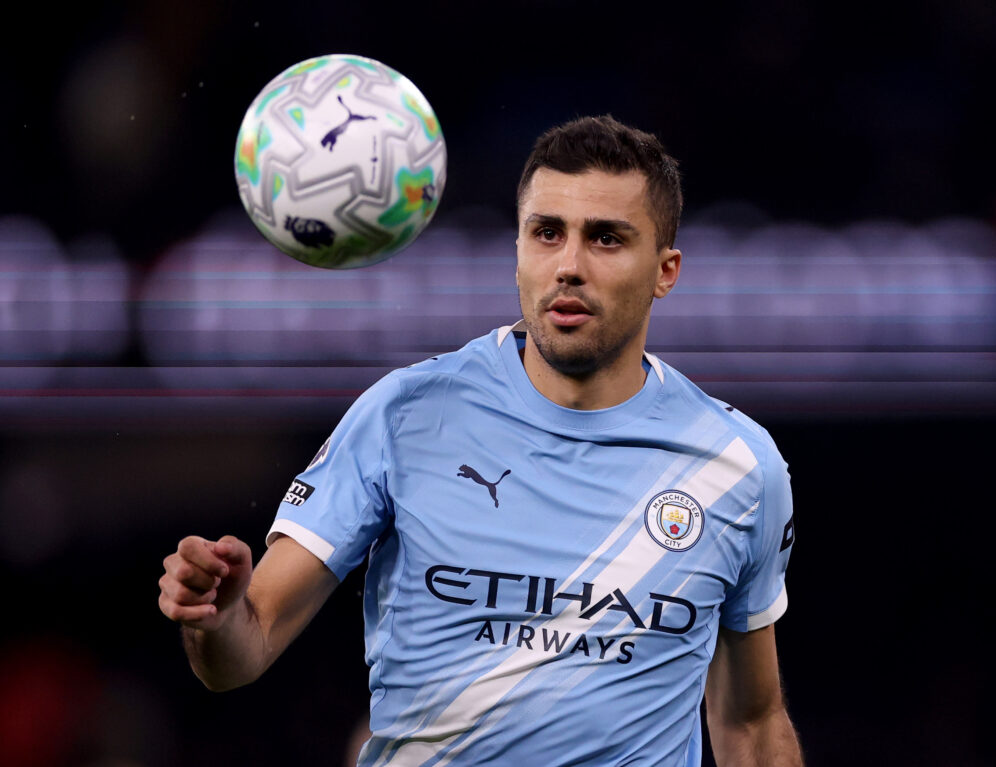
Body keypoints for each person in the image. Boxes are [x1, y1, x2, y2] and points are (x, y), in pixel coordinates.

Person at [159, 115, 803, 766]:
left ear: (666, 270)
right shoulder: (406, 414)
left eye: (606, 238)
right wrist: (216, 618)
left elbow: (750, 721)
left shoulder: (736, 465)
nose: (569, 266)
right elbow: (247, 643)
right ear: (518, 249)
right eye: (547, 233)